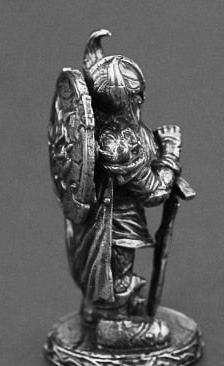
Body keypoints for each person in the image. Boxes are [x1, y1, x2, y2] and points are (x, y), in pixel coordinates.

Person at [66, 30, 182, 349]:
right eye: (138, 94)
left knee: (101, 278)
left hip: (94, 221)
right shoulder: (118, 146)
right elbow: (155, 192)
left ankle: (96, 311)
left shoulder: (103, 128)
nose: (142, 100)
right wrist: (171, 151)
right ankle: (114, 326)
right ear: (130, 99)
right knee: (114, 280)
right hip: (114, 228)